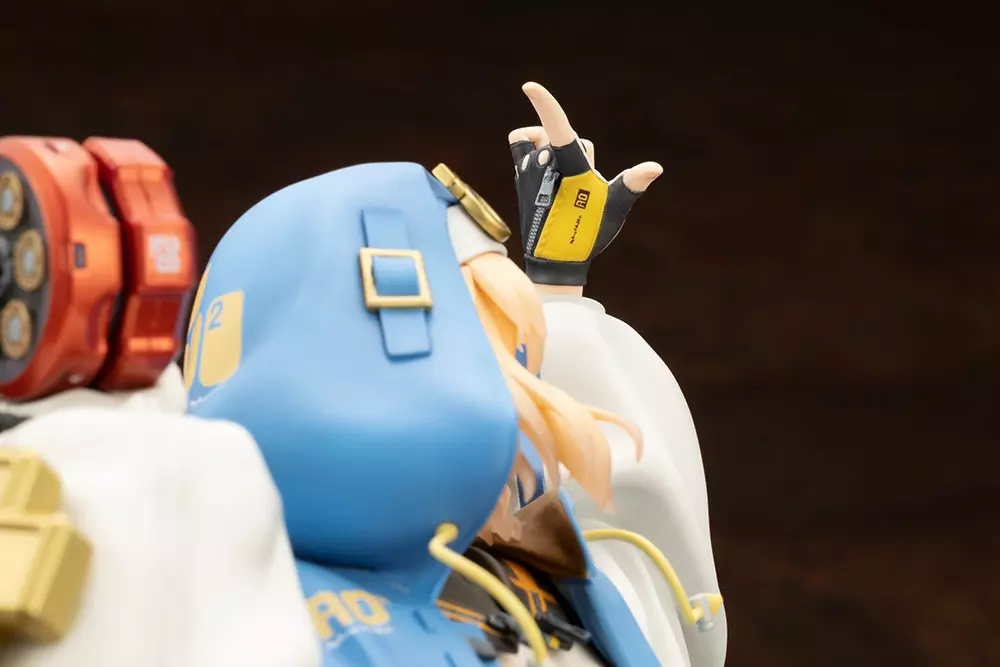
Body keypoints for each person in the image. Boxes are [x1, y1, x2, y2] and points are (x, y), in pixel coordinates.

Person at [185, 83, 724, 666]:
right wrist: (560, 307)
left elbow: (651, 590)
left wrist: (555, 290)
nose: (515, 408)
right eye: (490, 358)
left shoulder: (215, 600)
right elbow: (664, 587)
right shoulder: (236, 612)